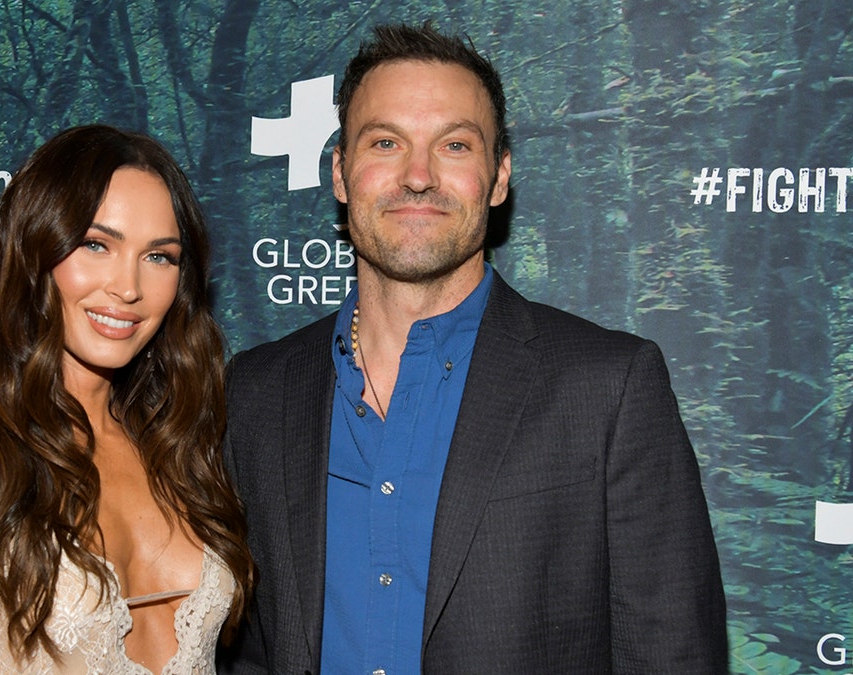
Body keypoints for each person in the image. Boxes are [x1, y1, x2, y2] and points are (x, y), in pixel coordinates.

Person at [219, 23, 728, 674]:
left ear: (498, 177)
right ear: (342, 174)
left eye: (454, 144)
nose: (419, 175)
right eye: (385, 142)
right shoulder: (257, 391)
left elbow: (673, 657)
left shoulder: (609, 386)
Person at [0, 124, 255, 674]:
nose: (128, 287)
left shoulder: (176, 445)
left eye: (159, 256)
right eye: (96, 244)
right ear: (34, 252)